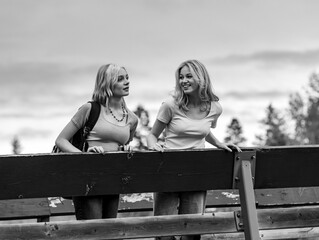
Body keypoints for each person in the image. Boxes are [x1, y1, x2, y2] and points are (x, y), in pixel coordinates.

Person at [147, 59, 240, 240]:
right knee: (164, 232)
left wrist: (219, 143)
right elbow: (152, 135)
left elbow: (200, 131)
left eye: (189, 76)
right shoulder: (170, 105)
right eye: (181, 77)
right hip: (168, 173)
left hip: (197, 174)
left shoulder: (214, 108)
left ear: (201, 78)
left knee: (192, 231)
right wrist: (153, 146)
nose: (184, 81)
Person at [55, 63, 138, 220]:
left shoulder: (132, 119)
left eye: (127, 78)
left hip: (113, 180)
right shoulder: (89, 109)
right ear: (106, 83)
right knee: (92, 231)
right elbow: (61, 140)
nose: (127, 82)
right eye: (120, 79)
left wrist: (125, 149)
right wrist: (84, 155)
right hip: (88, 179)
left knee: (110, 231)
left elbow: (126, 143)